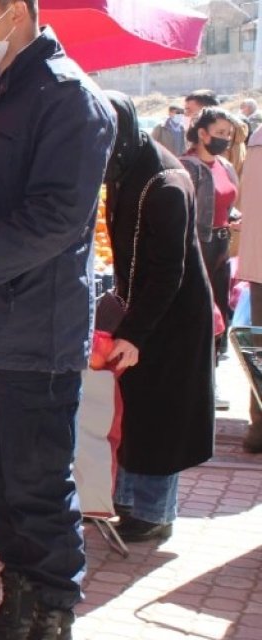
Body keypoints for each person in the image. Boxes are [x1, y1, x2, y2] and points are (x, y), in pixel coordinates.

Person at [0, 0, 116, 637]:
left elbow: (54, 220)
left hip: (36, 329)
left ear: (17, 9)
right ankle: (18, 604)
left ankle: (50, 615)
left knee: (36, 485)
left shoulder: (68, 97)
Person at [101, 91, 215, 543]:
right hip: (145, 310)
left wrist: (135, 332)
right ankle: (130, 501)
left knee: (161, 416)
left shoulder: (164, 182)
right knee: (137, 410)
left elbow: (169, 272)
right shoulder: (131, 164)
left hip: (171, 316)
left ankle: (153, 512)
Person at [181, 107, 239, 409]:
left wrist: (233, 218)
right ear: (202, 133)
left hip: (222, 247)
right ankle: (194, 385)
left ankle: (210, 382)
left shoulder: (226, 166)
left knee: (221, 318)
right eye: (219, 133)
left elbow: (227, 203)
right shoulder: (186, 168)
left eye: (228, 134)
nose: (225, 139)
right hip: (198, 247)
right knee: (201, 314)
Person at [237, 126, 262, 453]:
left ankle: (258, 425)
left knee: (259, 348)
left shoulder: (256, 139)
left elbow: (243, 198)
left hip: (258, 263)